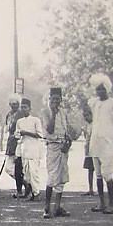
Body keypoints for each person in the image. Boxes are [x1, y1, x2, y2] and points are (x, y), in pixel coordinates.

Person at [87, 73, 113, 215]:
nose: (100, 92)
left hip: (108, 142)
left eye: (103, 89)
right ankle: (102, 203)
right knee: (98, 174)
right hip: (95, 142)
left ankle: (111, 204)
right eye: (98, 89)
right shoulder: (94, 103)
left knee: (107, 174)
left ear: (107, 88)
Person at [41, 88, 79, 218]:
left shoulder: (63, 112)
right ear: (49, 99)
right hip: (52, 146)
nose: (55, 101)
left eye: (58, 99)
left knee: (62, 177)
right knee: (52, 176)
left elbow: (67, 128)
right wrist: (52, 113)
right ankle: (47, 208)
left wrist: (72, 136)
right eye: (53, 99)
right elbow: (50, 129)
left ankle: (57, 207)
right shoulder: (45, 112)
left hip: (63, 146)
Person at [14, 97, 43, 201]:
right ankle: (31, 193)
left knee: (33, 172)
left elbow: (40, 135)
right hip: (24, 149)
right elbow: (17, 135)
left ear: (30, 108)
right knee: (26, 174)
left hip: (34, 149)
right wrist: (18, 135)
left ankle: (37, 192)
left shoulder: (35, 120)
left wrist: (26, 132)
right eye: (22, 107)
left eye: (25, 107)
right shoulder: (19, 121)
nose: (23, 109)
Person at [4, 94, 26, 198]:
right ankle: (25, 183)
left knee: (16, 167)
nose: (14, 106)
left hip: (18, 141)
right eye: (12, 104)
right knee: (9, 168)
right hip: (10, 142)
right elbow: (8, 128)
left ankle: (24, 185)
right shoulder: (8, 115)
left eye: (16, 104)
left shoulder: (20, 114)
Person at [80, 106, 96, 196]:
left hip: (95, 149)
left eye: (87, 115)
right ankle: (90, 189)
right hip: (88, 150)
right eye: (84, 116)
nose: (86, 118)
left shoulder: (95, 124)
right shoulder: (87, 126)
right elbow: (87, 137)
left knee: (98, 170)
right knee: (90, 170)